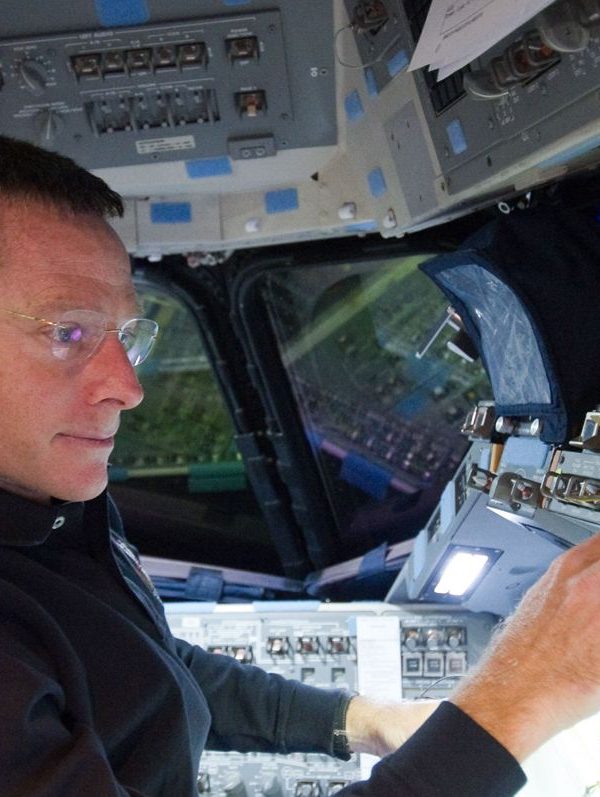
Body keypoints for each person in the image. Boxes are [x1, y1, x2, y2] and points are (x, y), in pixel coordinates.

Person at [0, 134, 599, 797]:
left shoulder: (51, 502)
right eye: (69, 332)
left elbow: (142, 669)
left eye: (126, 335)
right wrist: (516, 700)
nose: (127, 386)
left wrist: (359, 720)